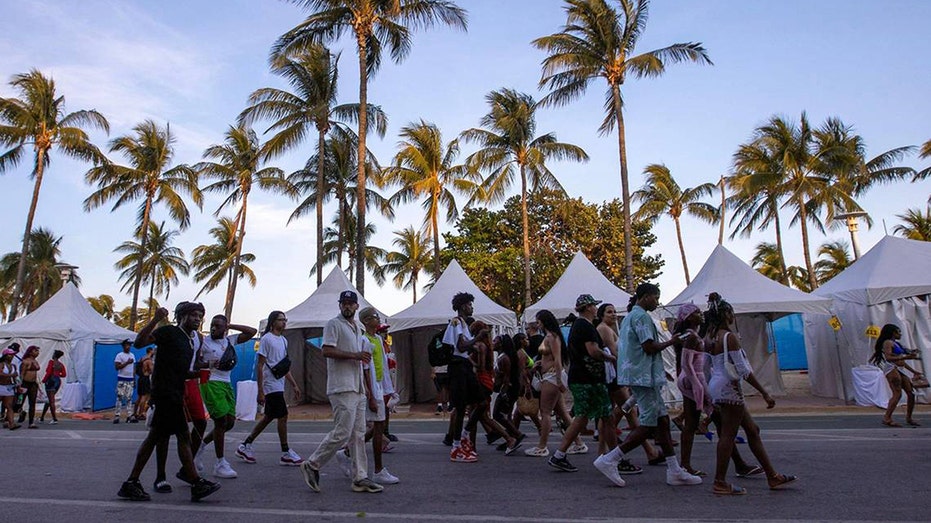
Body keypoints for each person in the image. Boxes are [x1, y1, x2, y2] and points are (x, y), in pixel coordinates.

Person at [593, 283, 702, 489]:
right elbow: (649, 347)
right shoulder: (641, 317)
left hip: (643, 374)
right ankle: (610, 459)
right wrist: (673, 341)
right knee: (650, 423)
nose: (657, 301)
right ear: (644, 297)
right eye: (655, 297)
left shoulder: (631, 317)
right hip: (642, 375)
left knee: (662, 421)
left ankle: (674, 469)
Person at [117, 302, 220, 502]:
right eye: (193, 315)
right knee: (180, 436)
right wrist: (155, 319)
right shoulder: (169, 332)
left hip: (174, 392)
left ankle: (132, 482)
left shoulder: (190, 341)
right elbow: (139, 342)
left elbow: (179, 370)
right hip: (165, 393)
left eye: (200, 316)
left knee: (158, 437)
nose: (198, 319)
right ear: (181, 316)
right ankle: (195, 483)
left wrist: (199, 372)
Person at [705, 292, 796, 495]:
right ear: (726, 314)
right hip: (730, 388)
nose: (733, 316)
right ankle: (719, 482)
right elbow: (744, 371)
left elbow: (705, 367)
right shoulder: (730, 337)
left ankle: (772, 475)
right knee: (728, 435)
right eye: (732, 313)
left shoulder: (709, 337)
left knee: (752, 430)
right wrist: (764, 393)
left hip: (717, 385)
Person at [300, 290, 383, 493]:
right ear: (340, 306)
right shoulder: (333, 324)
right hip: (341, 386)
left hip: (357, 388)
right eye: (343, 303)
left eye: (350, 303)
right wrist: (355, 356)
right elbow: (326, 350)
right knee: (343, 432)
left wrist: (366, 389)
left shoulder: (357, 328)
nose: (347, 306)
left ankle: (360, 477)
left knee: (358, 434)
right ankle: (312, 464)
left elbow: (361, 358)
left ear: (356, 306)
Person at [547, 294, 617, 477]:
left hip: (583, 378)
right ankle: (614, 457)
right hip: (589, 379)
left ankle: (608, 455)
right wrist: (609, 357)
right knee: (598, 416)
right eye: (594, 306)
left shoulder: (579, 326)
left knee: (590, 417)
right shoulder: (586, 327)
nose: (596, 309)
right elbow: (593, 351)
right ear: (588, 308)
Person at [594, 303, 655, 474]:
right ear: (601, 315)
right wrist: (626, 374)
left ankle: (603, 452)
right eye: (609, 312)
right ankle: (648, 451)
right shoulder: (604, 329)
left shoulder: (610, 328)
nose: (613, 315)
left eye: (614, 312)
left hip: (614, 376)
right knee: (629, 412)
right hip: (615, 377)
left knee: (612, 415)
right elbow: (615, 354)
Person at [236, 310, 303, 466]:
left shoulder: (284, 341)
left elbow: (283, 366)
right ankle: (285, 451)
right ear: (273, 322)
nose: (284, 322)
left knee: (269, 417)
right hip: (270, 384)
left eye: (285, 320)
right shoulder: (266, 339)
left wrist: (294, 384)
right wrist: (260, 390)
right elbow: (260, 365)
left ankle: (245, 445)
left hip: (280, 383)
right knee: (283, 415)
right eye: (281, 320)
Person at [196, 314, 256, 479]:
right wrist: (206, 365)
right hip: (210, 381)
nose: (214, 328)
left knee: (229, 422)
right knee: (221, 421)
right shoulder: (204, 342)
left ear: (224, 328)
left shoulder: (229, 341)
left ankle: (200, 446)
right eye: (212, 325)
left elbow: (252, 331)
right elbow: (195, 362)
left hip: (226, 383)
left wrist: (231, 325)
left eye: (218, 326)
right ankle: (220, 463)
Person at [524, 309, 582, 457]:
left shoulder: (552, 337)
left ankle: (542, 446)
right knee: (562, 412)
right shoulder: (549, 337)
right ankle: (579, 443)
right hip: (549, 376)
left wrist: (557, 380)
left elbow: (557, 359)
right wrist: (539, 363)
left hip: (551, 377)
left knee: (545, 412)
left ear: (544, 322)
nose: (537, 325)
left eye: (538, 322)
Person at [444, 292, 487, 463]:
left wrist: (474, 348)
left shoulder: (463, 324)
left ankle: (464, 436)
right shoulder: (456, 323)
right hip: (458, 368)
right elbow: (461, 346)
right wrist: (477, 338)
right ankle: (456, 447)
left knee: (481, 402)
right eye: (469, 304)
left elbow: (465, 346)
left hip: (465, 367)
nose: (472, 307)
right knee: (461, 408)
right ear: (463, 306)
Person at [358, 307, 400, 484]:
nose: (378, 320)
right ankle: (378, 470)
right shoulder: (364, 340)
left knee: (378, 426)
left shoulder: (377, 339)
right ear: (367, 321)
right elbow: (364, 370)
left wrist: (389, 390)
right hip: (372, 390)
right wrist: (371, 396)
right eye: (375, 317)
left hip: (379, 388)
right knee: (378, 426)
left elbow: (382, 365)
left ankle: (345, 453)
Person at [672, 303, 713, 476]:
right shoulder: (692, 337)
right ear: (688, 318)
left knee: (693, 422)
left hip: (692, 378)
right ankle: (685, 464)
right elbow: (686, 364)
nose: (700, 314)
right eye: (696, 312)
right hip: (693, 378)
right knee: (694, 422)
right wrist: (698, 385)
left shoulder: (693, 336)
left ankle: (685, 464)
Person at [870, 323, 923, 427]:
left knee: (910, 393)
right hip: (891, 369)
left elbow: (901, 360)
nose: (900, 334)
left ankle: (909, 418)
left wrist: (913, 371)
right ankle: (887, 418)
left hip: (899, 369)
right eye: (898, 332)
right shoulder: (887, 343)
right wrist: (906, 357)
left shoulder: (896, 343)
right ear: (893, 333)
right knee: (897, 393)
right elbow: (889, 358)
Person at [40, 349, 66, 424]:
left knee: (51, 400)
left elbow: (48, 372)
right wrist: (58, 375)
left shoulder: (51, 362)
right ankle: (42, 417)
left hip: (50, 380)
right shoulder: (61, 364)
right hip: (57, 381)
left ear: (54, 355)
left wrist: (44, 380)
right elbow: (64, 374)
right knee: (49, 399)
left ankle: (54, 418)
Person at [17, 345, 41, 428]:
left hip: (33, 384)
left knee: (32, 403)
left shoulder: (35, 361)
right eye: (36, 351)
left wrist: (37, 383)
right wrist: (19, 385)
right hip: (25, 383)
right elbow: (22, 374)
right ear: (30, 352)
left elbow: (35, 373)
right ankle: (20, 412)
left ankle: (31, 422)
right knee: (19, 402)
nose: (37, 352)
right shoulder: (25, 361)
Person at [113, 339, 136, 424]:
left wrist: (134, 378)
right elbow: (117, 367)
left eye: (129, 345)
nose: (128, 347)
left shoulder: (132, 355)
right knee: (119, 397)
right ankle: (117, 415)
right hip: (122, 378)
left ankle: (129, 415)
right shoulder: (119, 355)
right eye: (127, 345)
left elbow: (134, 367)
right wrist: (127, 362)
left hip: (130, 379)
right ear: (123, 346)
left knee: (129, 398)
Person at [132, 347, 154, 423]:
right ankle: (141, 413)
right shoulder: (149, 360)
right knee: (145, 396)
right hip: (145, 378)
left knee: (139, 396)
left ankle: (135, 413)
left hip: (140, 379)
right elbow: (151, 371)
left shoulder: (142, 358)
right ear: (150, 351)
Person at [1, 348, 21, 430]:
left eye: (12, 354)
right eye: (10, 354)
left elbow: (16, 377)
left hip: (9, 387)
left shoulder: (14, 366)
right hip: (1, 386)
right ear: (5, 356)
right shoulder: (1, 364)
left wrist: (19, 386)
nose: (12, 356)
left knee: (9, 406)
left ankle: (11, 424)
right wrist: (11, 375)